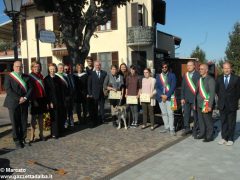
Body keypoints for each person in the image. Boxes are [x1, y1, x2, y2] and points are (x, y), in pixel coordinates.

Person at [4, 60, 33, 148]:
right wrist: (19, 98)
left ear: (22, 67)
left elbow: (31, 88)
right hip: (13, 103)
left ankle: (23, 138)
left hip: (24, 102)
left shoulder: (26, 77)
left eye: (20, 66)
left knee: (24, 122)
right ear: (13, 67)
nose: (19, 68)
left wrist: (25, 98)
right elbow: (8, 90)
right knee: (15, 122)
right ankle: (17, 140)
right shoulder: (9, 77)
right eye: (17, 66)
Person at [216, 61, 240, 146]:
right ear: (223, 69)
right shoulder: (218, 78)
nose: (226, 70)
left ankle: (230, 138)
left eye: (228, 68)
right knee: (223, 122)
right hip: (222, 104)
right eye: (225, 68)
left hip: (232, 104)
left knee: (231, 122)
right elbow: (217, 91)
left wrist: (233, 100)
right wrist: (222, 99)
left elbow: (238, 92)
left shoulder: (236, 78)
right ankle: (224, 138)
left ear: (231, 69)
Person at [195, 63, 215, 142]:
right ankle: (202, 133)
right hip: (199, 104)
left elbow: (212, 93)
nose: (200, 70)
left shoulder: (210, 79)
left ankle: (209, 136)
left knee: (208, 120)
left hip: (206, 103)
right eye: (199, 69)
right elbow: (197, 92)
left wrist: (210, 105)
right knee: (201, 120)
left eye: (202, 69)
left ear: (206, 70)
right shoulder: (199, 79)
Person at [44, 63, 65, 139]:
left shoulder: (58, 78)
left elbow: (61, 90)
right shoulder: (46, 79)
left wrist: (63, 101)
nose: (52, 70)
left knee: (59, 116)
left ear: (55, 69)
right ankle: (54, 133)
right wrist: (49, 102)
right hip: (52, 101)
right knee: (54, 117)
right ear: (49, 70)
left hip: (59, 100)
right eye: (51, 69)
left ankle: (59, 132)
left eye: (53, 69)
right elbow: (46, 92)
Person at [156, 62, 177, 136]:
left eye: (165, 67)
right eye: (163, 67)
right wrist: (162, 95)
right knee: (164, 113)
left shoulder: (172, 75)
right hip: (161, 97)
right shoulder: (158, 76)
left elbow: (173, 86)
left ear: (167, 68)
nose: (164, 68)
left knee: (171, 113)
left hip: (170, 97)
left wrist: (166, 95)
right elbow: (157, 87)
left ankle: (172, 129)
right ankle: (166, 127)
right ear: (161, 68)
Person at [181, 60, 200, 137]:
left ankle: (195, 129)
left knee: (195, 115)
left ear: (194, 66)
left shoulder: (198, 75)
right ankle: (187, 128)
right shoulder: (185, 75)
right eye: (187, 65)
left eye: (190, 65)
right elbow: (183, 87)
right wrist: (182, 97)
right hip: (186, 99)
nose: (188, 67)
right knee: (186, 114)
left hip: (195, 99)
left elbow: (199, 88)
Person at [29, 61, 47, 142]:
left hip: (42, 99)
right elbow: (30, 90)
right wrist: (33, 100)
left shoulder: (41, 76)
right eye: (35, 66)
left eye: (38, 66)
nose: (37, 68)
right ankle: (32, 135)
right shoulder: (30, 77)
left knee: (40, 118)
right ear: (32, 67)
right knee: (33, 119)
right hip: (34, 99)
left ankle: (41, 134)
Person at [88, 60, 107, 126]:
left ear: (100, 66)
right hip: (94, 94)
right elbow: (89, 85)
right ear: (94, 66)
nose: (98, 66)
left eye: (99, 65)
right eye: (96, 65)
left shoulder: (104, 73)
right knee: (95, 108)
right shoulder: (91, 74)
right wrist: (90, 94)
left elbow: (106, 83)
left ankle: (102, 119)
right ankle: (95, 121)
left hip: (102, 93)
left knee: (102, 108)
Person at [56, 63, 70, 129]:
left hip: (65, 97)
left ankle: (65, 126)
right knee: (60, 113)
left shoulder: (65, 76)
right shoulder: (56, 76)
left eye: (62, 68)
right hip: (59, 98)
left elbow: (68, 86)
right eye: (60, 68)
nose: (61, 69)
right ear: (57, 68)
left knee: (65, 112)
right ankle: (61, 126)